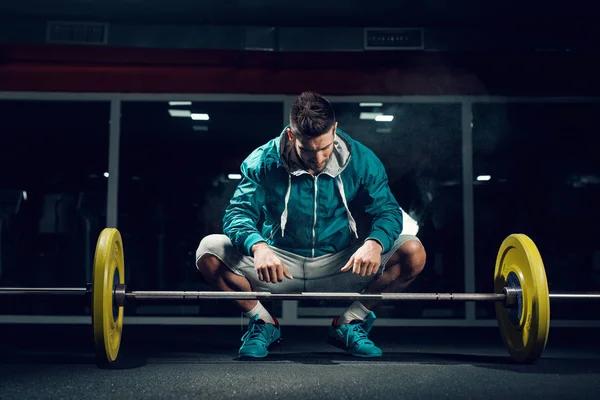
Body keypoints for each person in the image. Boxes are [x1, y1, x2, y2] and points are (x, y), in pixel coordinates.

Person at [196, 91, 426, 358]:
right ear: (292, 136)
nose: (317, 159)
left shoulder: (362, 160)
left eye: (325, 148)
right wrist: (258, 247)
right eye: (307, 150)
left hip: (340, 263)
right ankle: (263, 322)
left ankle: (350, 323)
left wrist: (375, 243)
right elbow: (238, 213)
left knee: (412, 251)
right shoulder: (263, 161)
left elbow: (387, 210)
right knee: (208, 251)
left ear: (335, 130)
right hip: (279, 265)